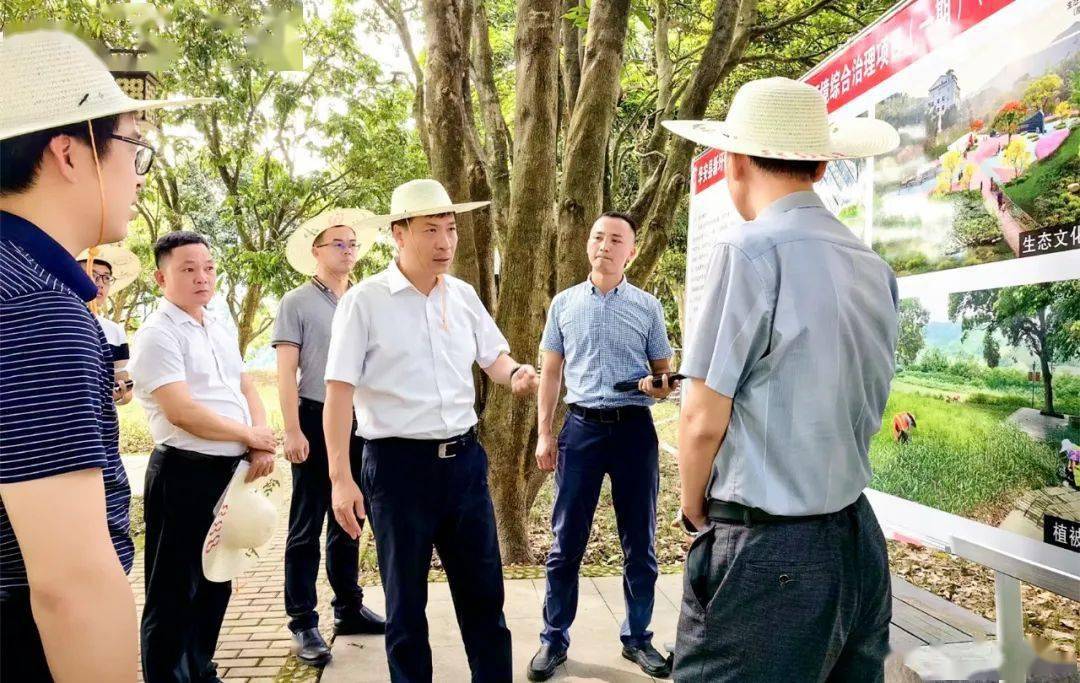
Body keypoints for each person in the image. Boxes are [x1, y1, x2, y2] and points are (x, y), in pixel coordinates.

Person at [663, 77, 901, 682]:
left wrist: (695, 510)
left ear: (733, 162)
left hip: (769, 555)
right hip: (858, 543)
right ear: (821, 165)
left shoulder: (748, 251)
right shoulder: (873, 268)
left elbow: (700, 418)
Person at [0, 30, 210, 682]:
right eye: (132, 147)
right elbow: (71, 585)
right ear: (67, 152)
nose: (138, 175)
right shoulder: (37, 306)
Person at [325, 179, 540, 682]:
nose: (445, 242)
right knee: (405, 607)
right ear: (398, 234)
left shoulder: (462, 296)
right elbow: (338, 396)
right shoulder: (365, 302)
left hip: (464, 465)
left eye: (450, 229)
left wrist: (516, 374)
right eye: (430, 230)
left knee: (485, 598)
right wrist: (340, 477)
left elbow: (494, 358)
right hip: (398, 471)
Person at [528, 211, 676, 681]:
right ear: (587, 245)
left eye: (616, 239)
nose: (604, 246)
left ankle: (638, 639)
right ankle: (553, 640)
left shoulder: (648, 306)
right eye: (598, 237)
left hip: (634, 430)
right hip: (581, 430)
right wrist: (545, 433)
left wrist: (659, 387)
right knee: (565, 542)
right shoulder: (564, 304)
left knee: (641, 543)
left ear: (631, 251)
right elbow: (550, 372)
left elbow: (664, 375)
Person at [129, 231, 277, 683]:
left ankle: (200, 668)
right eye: (188, 269)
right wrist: (249, 433)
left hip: (228, 472)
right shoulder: (157, 333)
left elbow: (244, 384)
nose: (202, 277)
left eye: (208, 267)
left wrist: (259, 438)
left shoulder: (218, 321)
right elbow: (182, 411)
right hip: (183, 474)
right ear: (161, 277)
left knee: (217, 578)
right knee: (173, 589)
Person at [274, 208, 386, 667]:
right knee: (306, 524)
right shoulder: (296, 302)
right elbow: (285, 373)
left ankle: (349, 607)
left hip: (360, 419)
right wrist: (293, 430)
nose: (347, 250)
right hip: (313, 415)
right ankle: (303, 620)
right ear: (315, 252)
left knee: (351, 516)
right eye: (337, 243)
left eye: (352, 243)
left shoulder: (363, 299)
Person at [78, 244, 142, 405]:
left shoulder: (115, 331)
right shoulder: (54, 320)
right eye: (92, 275)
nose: (100, 284)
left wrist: (118, 394)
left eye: (106, 278)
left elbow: (126, 391)